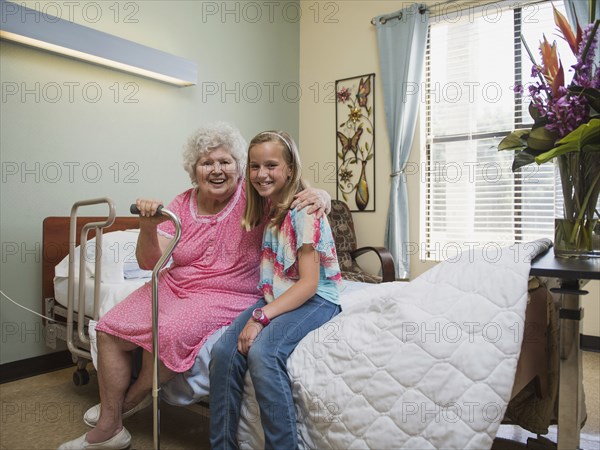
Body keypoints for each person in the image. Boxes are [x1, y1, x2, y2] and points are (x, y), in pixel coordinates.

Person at [58, 122, 330, 450]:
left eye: (225, 161)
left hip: (228, 292)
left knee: (168, 333)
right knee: (108, 329)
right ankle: (112, 427)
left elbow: (289, 191)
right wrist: (146, 226)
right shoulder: (182, 204)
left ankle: (125, 405)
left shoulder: (253, 195)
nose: (216, 170)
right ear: (193, 170)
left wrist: (322, 194)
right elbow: (149, 263)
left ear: (238, 167)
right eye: (206, 163)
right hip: (175, 284)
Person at [209, 131, 342, 449]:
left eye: (271, 165)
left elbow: (310, 284)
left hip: (316, 298)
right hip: (279, 294)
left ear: (290, 169)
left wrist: (260, 317)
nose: (261, 174)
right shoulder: (271, 207)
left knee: (264, 353)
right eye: (254, 166)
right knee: (223, 352)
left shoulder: (304, 211)